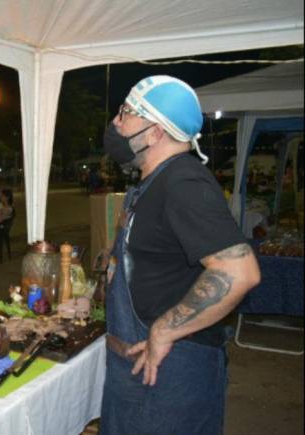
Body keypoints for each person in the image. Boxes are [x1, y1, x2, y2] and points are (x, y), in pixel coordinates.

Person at [99, 76, 261, 435]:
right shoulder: (151, 182)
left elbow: (239, 271)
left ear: (155, 132)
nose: (116, 122)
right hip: (137, 365)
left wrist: (164, 331)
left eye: (126, 113)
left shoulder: (183, 182)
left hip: (170, 370)